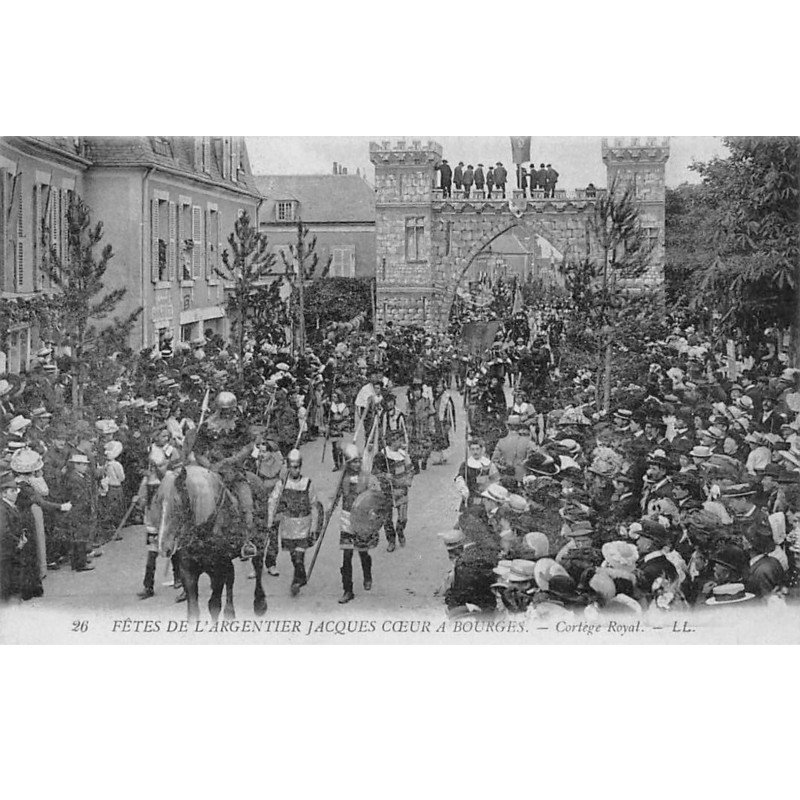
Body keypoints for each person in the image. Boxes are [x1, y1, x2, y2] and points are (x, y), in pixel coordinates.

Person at [267, 448, 320, 596]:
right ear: (288, 467)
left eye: (297, 467)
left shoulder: (307, 483)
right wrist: (270, 520)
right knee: (293, 556)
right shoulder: (282, 484)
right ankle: (301, 577)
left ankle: (296, 582)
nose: (295, 470)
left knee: (299, 557)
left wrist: (314, 527)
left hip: (303, 523)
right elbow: (273, 501)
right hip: (288, 525)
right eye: (292, 467)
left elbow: (314, 505)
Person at [337, 443, 381, 603]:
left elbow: (376, 498)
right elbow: (335, 496)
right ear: (348, 463)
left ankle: (367, 574)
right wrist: (330, 507)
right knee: (346, 555)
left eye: (358, 461)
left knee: (362, 552)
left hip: (361, 521)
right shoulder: (342, 478)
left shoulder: (367, 478)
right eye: (353, 462)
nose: (356, 464)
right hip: (346, 520)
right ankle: (347, 589)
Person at [372, 427, 413, 552]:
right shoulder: (382, 455)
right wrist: (385, 475)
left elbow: (410, 469)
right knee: (387, 519)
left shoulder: (403, 454)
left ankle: (400, 531)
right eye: (398, 440)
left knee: (403, 518)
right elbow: (375, 471)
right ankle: (391, 540)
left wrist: (408, 480)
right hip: (387, 490)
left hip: (401, 489)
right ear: (392, 441)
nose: (401, 442)